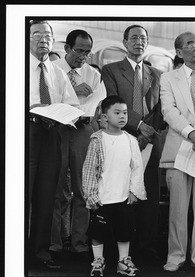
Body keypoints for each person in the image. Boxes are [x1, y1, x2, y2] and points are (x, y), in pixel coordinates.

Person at [101, 25, 164, 262]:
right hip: (121, 140)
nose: (139, 42)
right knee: (119, 193)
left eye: (143, 39)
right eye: (134, 38)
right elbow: (112, 102)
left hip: (149, 143)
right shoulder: (111, 70)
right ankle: (116, 248)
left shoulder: (156, 73)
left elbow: (160, 109)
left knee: (147, 194)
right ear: (125, 42)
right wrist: (138, 127)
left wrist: (147, 133)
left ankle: (146, 247)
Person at [29, 20, 80, 269]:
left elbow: (73, 104)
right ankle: (13, 250)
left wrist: (66, 113)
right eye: (37, 34)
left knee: (47, 195)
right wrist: (32, 108)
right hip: (25, 132)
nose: (43, 39)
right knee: (20, 194)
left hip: (52, 133)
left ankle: (39, 251)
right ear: (26, 38)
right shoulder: (15, 66)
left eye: (48, 35)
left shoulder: (57, 72)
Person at [50, 29, 104, 259]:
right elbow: (49, 100)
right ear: (67, 49)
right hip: (58, 129)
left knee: (83, 189)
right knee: (55, 187)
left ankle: (79, 243)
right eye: (79, 50)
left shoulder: (92, 74)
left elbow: (96, 103)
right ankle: (54, 243)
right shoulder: (53, 70)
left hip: (82, 130)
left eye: (87, 52)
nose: (83, 56)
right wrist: (72, 90)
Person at [82, 95, 147, 277]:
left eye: (125, 113)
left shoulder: (130, 140)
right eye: (117, 112)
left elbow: (137, 167)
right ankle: (98, 260)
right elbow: (89, 169)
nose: (122, 116)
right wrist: (91, 195)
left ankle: (123, 260)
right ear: (104, 117)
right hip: (102, 197)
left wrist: (134, 191)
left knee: (124, 230)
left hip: (123, 196)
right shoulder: (97, 140)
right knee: (98, 230)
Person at [159, 31, 195, 271]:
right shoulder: (168, 78)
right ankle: (175, 256)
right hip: (178, 148)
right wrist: (191, 133)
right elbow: (169, 111)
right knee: (177, 208)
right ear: (178, 52)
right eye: (191, 43)